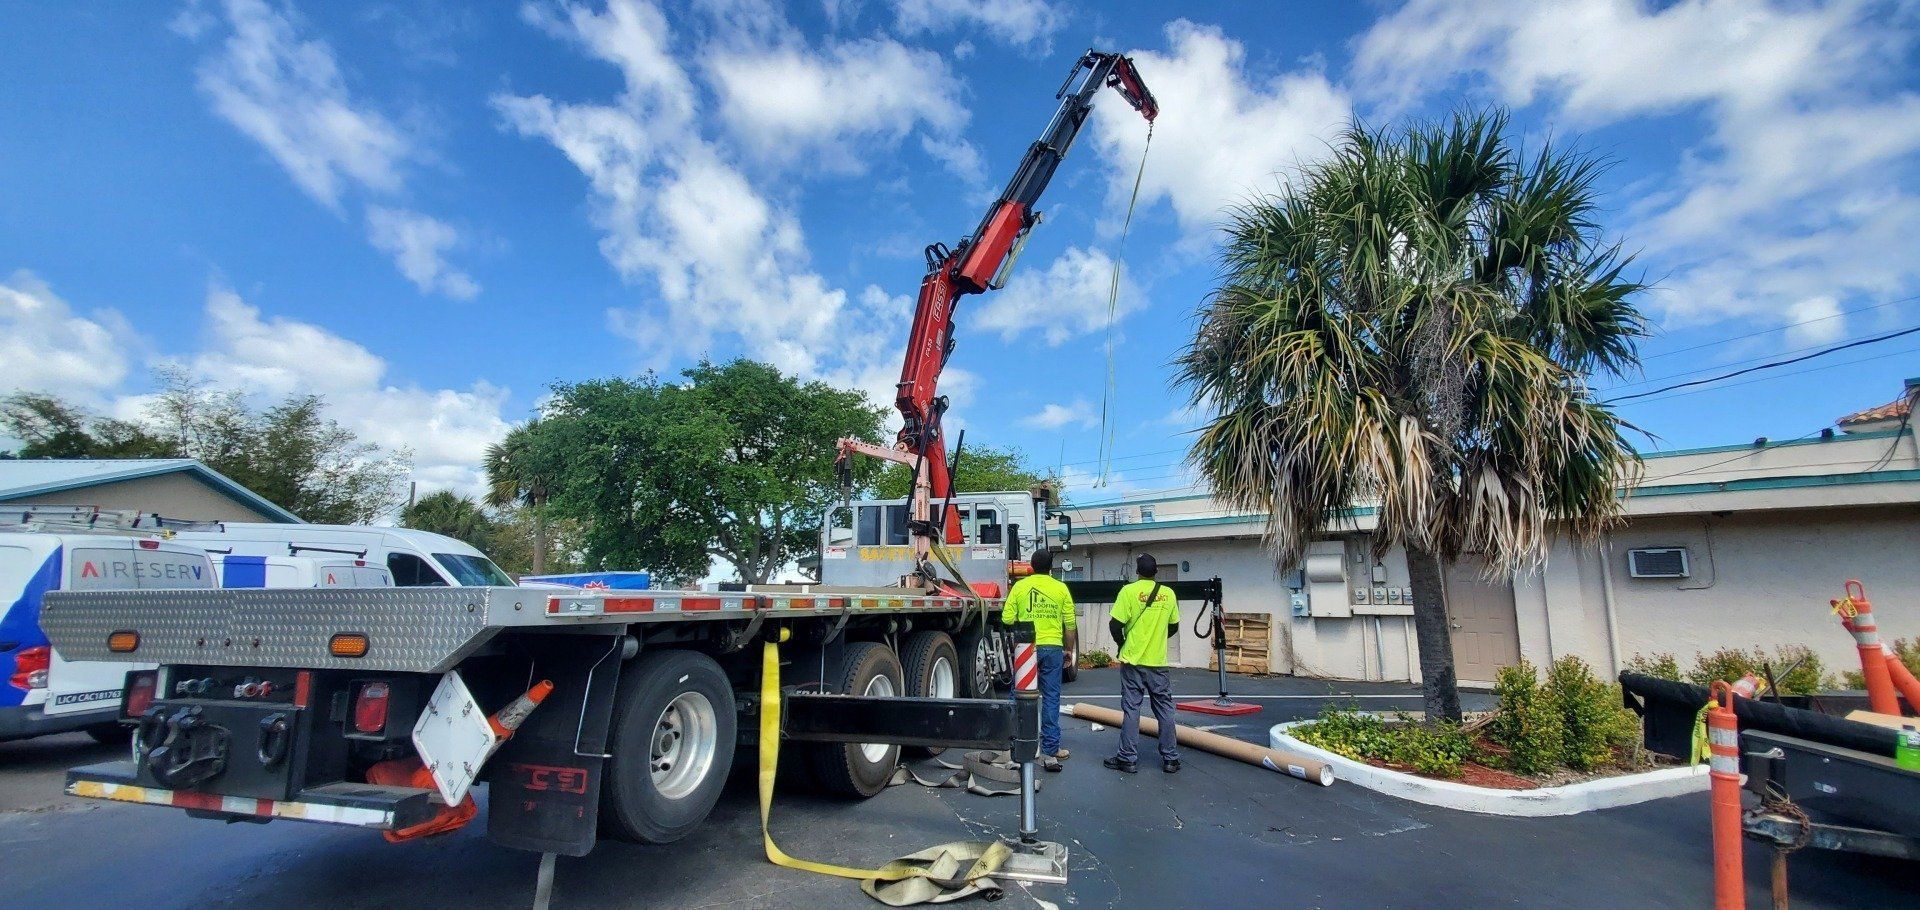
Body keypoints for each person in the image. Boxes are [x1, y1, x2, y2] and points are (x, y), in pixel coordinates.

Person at [1103, 553, 1181, 774]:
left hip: (1133, 660)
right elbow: (1173, 626)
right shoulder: (1168, 594)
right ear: (1156, 572)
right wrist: (1156, 639)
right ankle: (1170, 758)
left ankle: (1127, 758)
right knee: (1165, 709)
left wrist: (1123, 644)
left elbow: (1114, 624)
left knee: (1131, 708)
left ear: (1137, 571)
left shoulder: (1128, 592)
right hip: (1158, 662)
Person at [1001, 547, 1075, 771]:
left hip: (1026, 648)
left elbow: (1006, 618)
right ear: (1050, 568)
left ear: (1031, 567)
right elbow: (1070, 625)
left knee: (1019, 696)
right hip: (1053, 648)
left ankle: (1018, 744)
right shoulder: (1061, 588)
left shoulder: (1020, 587)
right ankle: (1051, 750)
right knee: (1051, 697)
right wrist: (1068, 651)